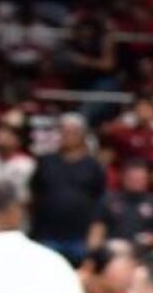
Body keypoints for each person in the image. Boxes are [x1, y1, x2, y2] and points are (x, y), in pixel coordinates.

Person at [27, 113, 108, 264]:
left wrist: (96, 232)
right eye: (64, 131)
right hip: (46, 235)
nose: (68, 136)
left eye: (73, 132)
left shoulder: (93, 166)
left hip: (80, 237)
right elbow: (34, 194)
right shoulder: (45, 162)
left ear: (83, 135)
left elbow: (100, 200)